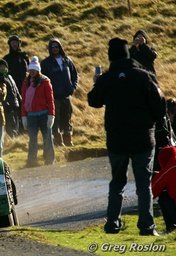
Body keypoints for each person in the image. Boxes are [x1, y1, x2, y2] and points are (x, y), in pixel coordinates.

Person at [88, 37, 166, 236]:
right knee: (143, 183)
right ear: (127, 54)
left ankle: (113, 223)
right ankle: (147, 226)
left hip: (117, 139)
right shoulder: (144, 76)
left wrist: (97, 83)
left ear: (111, 56)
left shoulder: (107, 78)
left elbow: (93, 101)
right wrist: (153, 122)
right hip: (142, 137)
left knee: (117, 182)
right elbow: (160, 106)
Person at [41, 38, 78, 147]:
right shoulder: (46, 63)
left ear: (60, 47)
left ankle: (68, 140)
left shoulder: (67, 60)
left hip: (67, 95)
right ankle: (58, 142)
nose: (55, 49)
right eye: (52, 47)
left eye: (57, 46)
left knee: (67, 118)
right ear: (49, 49)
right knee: (55, 119)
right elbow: (43, 79)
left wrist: (73, 87)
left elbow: (74, 75)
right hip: (54, 96)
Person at [21, 56, 55, 167]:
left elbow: (50, 100)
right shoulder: (26, 82)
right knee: (32, 140)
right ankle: (31, 162)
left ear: (38, 70)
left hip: (44, 115)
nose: (31, 72)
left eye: (33, 70)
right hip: (31, 116)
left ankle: (49, 160)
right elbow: (24, 100)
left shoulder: (45, 81)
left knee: (48, 139)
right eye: (30, 70)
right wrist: (24, 116)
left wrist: (51, 115)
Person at [3, 35, 29, 133]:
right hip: (13, 87)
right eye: (12, 42)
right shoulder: (7, 58)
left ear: (19, 43)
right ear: (9, 44)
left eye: (16, 42)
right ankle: (19, 128)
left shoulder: (24, 56)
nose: (14, 44)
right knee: (17, 107)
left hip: (25, 85)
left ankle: (27, 127)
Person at [0, 59, 22, 138]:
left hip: (15, 104)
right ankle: (12, 140)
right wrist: (5, 103)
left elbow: (15, 89)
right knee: (10, 125)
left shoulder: (9, 76)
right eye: (0, 67)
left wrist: (20, 99)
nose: (3, 68)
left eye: (4, 66)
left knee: (16, 124)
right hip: (7, 106)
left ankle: (15, 141)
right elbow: (1, 92)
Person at [152, 146, 176, 233]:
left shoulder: (168, 169)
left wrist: (155, 176)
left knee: (163, 196)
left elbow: (152, 192)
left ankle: (170, 228)